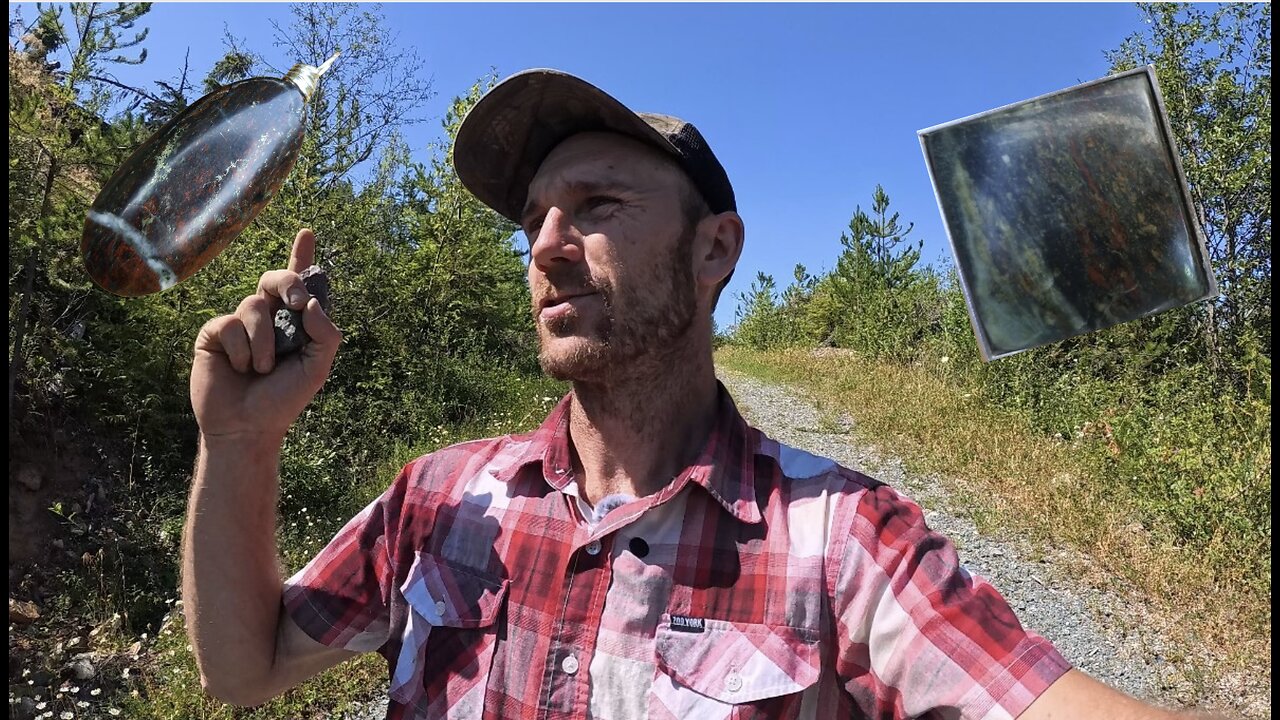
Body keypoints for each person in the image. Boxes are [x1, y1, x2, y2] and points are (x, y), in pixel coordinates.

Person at [183, 69, 1219, 720]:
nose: (544, 245)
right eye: (534, 218)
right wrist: (239, 442)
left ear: (714, 248)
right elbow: (244, 670)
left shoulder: (842, 540)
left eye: (594, 206)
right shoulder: (440, 498)